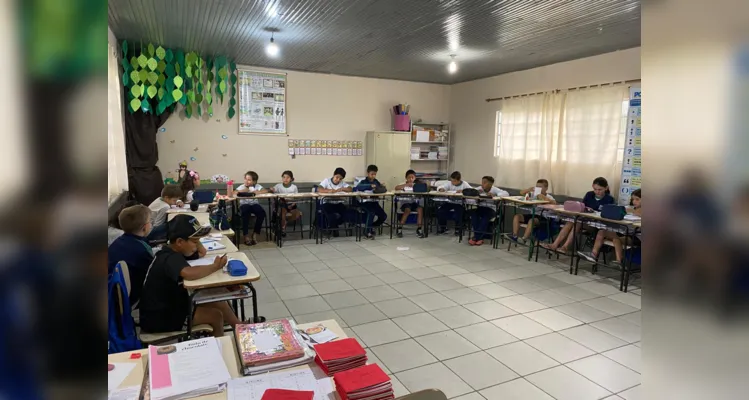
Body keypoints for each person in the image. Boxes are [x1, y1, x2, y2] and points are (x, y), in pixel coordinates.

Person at [139, 215, 240, 337]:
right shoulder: (168, 257)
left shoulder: (178, 250)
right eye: (195, 242)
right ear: (180, 242)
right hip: (159, 319)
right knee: (215, 315)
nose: (196, 246)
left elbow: (202, 253)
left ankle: (240, 328)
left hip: (173, 306)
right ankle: (220, 350)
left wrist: (196, 238)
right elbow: (188, 273)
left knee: (217, 300)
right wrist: (214, 267)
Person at [542, 177, 614, 254]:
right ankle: (554, 245)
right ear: (592, 186)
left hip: (596, 225)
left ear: (606, 188)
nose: (597, 192)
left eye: (600, 190)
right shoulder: (589, 194)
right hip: (585, 219)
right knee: (570, 222)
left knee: (578, 223)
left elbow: (608, 213)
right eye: (595, 189)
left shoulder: (609, 199)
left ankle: (565, 247)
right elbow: (582, 206)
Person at [579, 188, 641, 267]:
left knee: (615, 238)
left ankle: (619, 261)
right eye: (633, 199)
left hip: (636, 237)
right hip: (624, 232)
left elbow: (637, 214)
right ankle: (594, 255)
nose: (634, 201)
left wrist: (629, 210)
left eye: (637, 199)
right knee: (602, 232)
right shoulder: (631, 208)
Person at [107, 204, 154, 307]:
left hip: (111, 293)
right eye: (150, 221)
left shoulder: (118, 242)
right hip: (128, 298)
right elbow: (153, 272)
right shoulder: (142, 250)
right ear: (145, 227)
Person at [505, 179, 556, 244]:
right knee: (517, 216)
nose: (538, 188)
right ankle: (514, 236)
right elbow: (521, 193)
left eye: (540, 187)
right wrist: (529, 189)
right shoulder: (533, 194)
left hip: (543, 217)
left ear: (546, 188)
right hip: (533, 214)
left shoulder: (549, 196)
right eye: (537, 187)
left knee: (531, 221)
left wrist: (544, 198)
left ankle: (524, 239)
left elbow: (554, 203)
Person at [469, 176, 509, 246]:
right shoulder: (480, 189)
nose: (482, 184)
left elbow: (506, 194)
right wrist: (476, 194)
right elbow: (470, 192)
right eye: (482, 182)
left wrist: (495, 195)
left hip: (491, 209)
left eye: (485, 183)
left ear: (490, 184)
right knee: (474, 215)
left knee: (485, 217)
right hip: (481, 207)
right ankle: (479, 238)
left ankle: (476, 237)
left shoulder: (494, 189)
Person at [354, 165, 388, 240]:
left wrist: (382, 186)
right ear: (368, 173)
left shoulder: (376, 181)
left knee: (384, 216)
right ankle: (367, 232)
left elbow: (380, 189)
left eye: (375, 174)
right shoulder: (363, 181)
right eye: (372, 174)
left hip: (374, 202)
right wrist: (370, 186)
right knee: (371, 212)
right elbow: (358, 187)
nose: (373, 176)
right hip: (365, 203)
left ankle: (372, 227)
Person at [318, 167, 353, 237]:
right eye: (337, 177)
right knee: (331, 215)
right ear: (333, 174)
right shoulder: (326, 181)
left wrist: (343, 188)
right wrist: (329, 191)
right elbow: (319, 189)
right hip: (327, 203)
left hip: (337, 203)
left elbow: (350, 189)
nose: (338, 180)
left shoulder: (342, 183)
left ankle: (334, 226)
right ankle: (333, 228)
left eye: (340, 179)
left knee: (347, 214)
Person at [236, 171, 268, 246]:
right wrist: (243, 191)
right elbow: (234, 192)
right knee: (245, 213)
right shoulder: (242, 187)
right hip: (244, 204)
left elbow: (265, 190)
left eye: (249, 180)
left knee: (261, 213)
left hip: (254, 204)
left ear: (254, 181)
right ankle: (246, 236)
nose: (247, 181)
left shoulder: (257, 186)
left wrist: (256, 192)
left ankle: (255, 234)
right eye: (246, 179)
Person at [436, 171, 473, 235]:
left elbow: (472, 191)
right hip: (450, 202)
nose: (453, 182)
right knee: (441, 211)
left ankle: (458, 229)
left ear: (459, 180)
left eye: (454, 181)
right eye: (452, 181)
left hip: (459, 203)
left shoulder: (464, 184)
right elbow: (440, 187)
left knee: (458, 213)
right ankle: (443, 228)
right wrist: (441, 189)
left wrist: (463, 191)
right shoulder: (449, 183)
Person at [270, 170, 301, 237]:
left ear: (291, 179)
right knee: (282, 210)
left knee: (297, 214)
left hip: (291, 204)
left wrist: (292, 204)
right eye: (284, 177)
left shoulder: (294, 187)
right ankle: (283, 229)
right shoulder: (278, 186)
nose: (285, 179)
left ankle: (284, 223)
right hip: (282, 205)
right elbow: (274, 190)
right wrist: (272, 189)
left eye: (287, 177)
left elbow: (296, 198)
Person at [394, 169, 424, 238]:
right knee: (407, 210)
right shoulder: (403, 184)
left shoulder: (416, 185)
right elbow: (396, 188)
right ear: (406, 178)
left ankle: (419, 228)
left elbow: (422, 192)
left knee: (420, 209)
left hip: (413, 203)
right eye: (409, 177)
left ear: (415, 178)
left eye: (412, 177)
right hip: (405, 203)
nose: (410, 179)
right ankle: (400, 228)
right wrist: (406, 184)